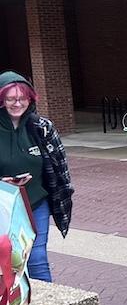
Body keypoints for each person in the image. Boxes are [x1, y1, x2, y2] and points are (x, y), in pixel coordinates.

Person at [0, 72, 73, 282]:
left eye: (22, 98)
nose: (17, 103)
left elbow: (60, 169)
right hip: (3, 206)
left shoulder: (42, 127)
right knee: (7, 259)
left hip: (34, 204)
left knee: (37, 258)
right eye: (11, 98)